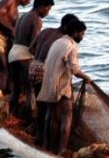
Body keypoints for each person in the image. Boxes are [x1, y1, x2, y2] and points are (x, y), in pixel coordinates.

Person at [37, 19, 91, 155]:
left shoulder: (58, 42)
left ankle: (46, 145)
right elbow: (74, 69)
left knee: (50, 115)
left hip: (48, 84)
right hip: (61, 86)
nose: (82, 37)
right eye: (82, 34)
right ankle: (61, 149)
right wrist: (86, 77)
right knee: (67, 116)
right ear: (75, 33)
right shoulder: (71, 46)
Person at [28, 13, 78, 145]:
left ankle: (40, 136)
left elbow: (31, 48)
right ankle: (46, 141)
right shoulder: (63, 40)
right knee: (49, 107)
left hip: (33, 66)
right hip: (44, 69)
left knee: (41, 104)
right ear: (67, 27)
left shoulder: (46, 31)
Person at [8, 0, 55, 118]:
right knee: (30, 91)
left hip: (13, 53)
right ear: (40, 6)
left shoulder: (23, 16)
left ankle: (10, 117)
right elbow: (34, 45)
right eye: (47, 9)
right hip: (24, 55)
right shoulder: (36, 19)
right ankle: (31, 119)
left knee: (16, 89)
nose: (47, 13)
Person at [0, 0, 34, 94]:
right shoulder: (8, 1)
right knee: (4, 72)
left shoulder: (16, 10)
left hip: (6, 40)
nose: (29, 1)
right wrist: (12, 30)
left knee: (12, 70)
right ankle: (3, 98)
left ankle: (9, 93)